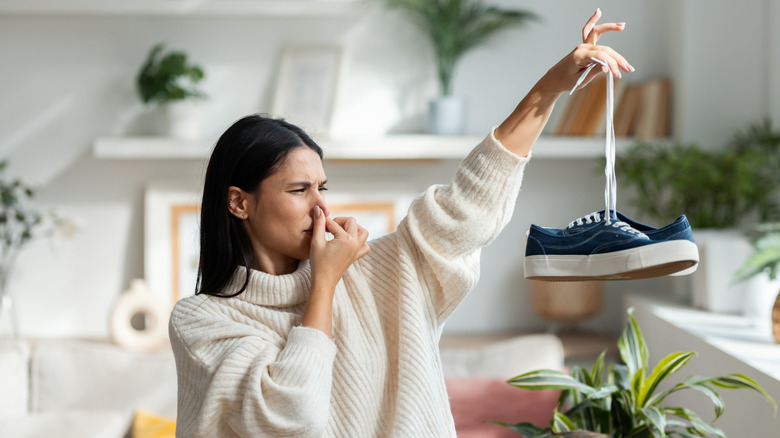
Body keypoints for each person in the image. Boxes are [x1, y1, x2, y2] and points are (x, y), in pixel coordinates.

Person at [169, 9, 633, 438]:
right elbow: (289, 414)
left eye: (322, 188)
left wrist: (547, 90)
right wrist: (324, 283)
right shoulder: (203, 321)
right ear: (239, 203)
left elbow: (466, 210)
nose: (321, 209)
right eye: (298, 190)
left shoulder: (377, 270)